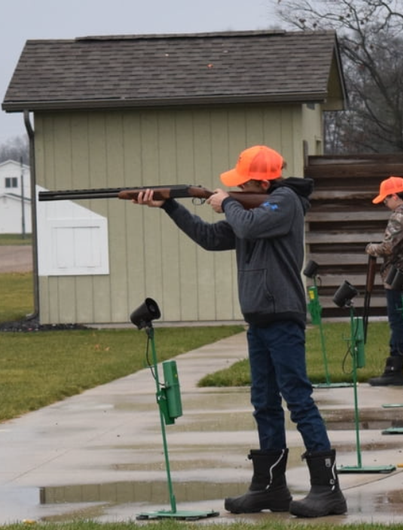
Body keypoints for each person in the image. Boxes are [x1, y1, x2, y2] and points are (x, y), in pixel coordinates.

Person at [132, 145, 346, 518]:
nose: (232, 187)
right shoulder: (253, 210)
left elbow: (246, 223)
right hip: (260, 319)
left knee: (298, 400)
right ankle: (270, 488)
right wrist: (170, 205)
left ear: (259, 181)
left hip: (282, 317)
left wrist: (226, 202)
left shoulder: (285, 202)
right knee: (263, 403)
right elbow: (210, 237)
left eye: (240, 182)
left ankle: (327, 489)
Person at [365, 177, 403, 387]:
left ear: (394, 196)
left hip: (396, 275)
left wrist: (371, 248)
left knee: (398, 322)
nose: (385, 204)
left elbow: (388, 247)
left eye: (386, 200)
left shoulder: (399, 217)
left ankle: (395, 367)